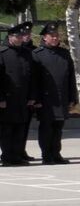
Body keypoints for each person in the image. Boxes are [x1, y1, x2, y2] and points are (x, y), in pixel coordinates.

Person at [32, 22, 78, 164]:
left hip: (61, 98)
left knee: (58, 128)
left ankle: (56, 153)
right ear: (45, 37)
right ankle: (46, 154)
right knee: (46, 128)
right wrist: (36, 99)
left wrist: (72, 97)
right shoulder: (37, 55)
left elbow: (70, 78)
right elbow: (34, 80)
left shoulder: (64, 54)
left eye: (56, 36)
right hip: (45, 100)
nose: (55, 38)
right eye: (52, 36)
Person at [0, 24, 35, 165]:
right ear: (10, 37)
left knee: (20, 129)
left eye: (21, 36)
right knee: (7, 130)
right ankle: (7, 157)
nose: (20, 39)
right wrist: (0, 98)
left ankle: (17, 156)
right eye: (17, 36)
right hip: (7, 99)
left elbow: (32, 77)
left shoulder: (27, 54)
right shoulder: (2, 54)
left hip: (23, 99)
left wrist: (32, 96)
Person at [19, 21, 37, 161]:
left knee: (25, 126)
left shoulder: (34, 51)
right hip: (14, 96)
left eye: (28, 34)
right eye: (24, 34)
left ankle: (21, 150)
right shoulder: (11, 51)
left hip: (29, 96)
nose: (26, 36)